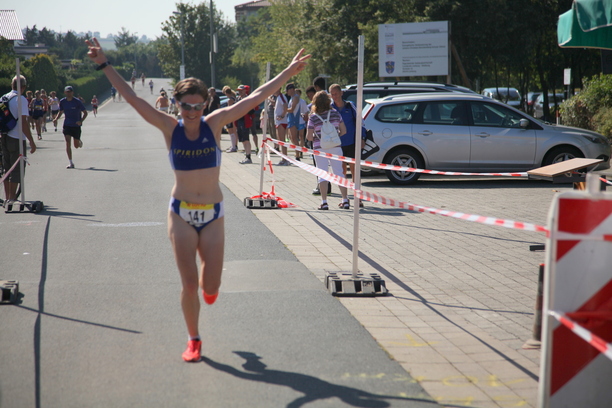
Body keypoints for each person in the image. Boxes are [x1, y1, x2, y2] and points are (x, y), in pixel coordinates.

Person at [86, 37, 310, 362]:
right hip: (181, 214)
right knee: (189, 284)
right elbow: (133, 98)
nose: (191, 113)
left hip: (213, 214)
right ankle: (194, 339)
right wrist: (104, 64)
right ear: (177, 105)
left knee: (211, 287)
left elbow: (256, 97)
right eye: (186, 106)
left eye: (197, 106)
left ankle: (210, 286)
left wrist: (288, 72)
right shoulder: (169, 127)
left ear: (205, 104)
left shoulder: (214, 123)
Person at [306, 91, 349, 210]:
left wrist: (318, 137)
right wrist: (333, 138)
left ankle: (324, 202)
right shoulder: (335, 114)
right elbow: (344, 131)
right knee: (339, 173)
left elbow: (309, 137)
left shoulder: (313, 117)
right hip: (336, 147)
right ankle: (345, 200)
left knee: (322, 174)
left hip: (320, 148)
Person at [2, 75, 37, 204]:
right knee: (17, 169)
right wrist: (31, 141)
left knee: (7, 168)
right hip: (16, 137)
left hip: (4, 135)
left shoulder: (4, 97)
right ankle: (12, 198)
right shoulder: (21, 99)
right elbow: (23, 122)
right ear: (23, 87)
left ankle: (7, 198)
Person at [329, 83, 366, 207]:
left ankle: (358, 198)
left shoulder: (350, 106)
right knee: (342, 172)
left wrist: (362, 137)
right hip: (337, 145)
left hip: (352, 143)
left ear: (341, 93)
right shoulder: (330, 108)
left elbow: (360, 122)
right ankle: (344, 198)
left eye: (336, 93)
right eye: (332, 94)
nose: (334, 96)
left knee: (355, 172)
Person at [54, 86, 88, 169]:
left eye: (70, 92)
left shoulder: (77, 102)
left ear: (73, 92)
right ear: (65, 92)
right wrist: (56, 118)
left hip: (76, 125)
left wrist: (81, 121)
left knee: (76, 146)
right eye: (67, 92)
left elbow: (85, 112)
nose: (68, 93)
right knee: (67, 142)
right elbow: (60, 111)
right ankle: (71, 162)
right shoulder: (63, 101)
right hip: (67, 125)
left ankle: (78, 141)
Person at [235, 85, 254, 164]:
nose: (240, 92)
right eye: (239, 90)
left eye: (241, 90)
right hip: (239, 120)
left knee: (246, 139)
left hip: (245, 121)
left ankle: (248, 157)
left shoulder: (248, 99)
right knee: (242, 140)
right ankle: (246, 155)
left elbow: (252, 111)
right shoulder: (238, 99)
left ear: (245, 91)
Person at [273, 87, 290, 166]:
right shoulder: (278, 98)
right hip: (279, 122)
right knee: (280, 141)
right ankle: (283, 158)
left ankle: (285, 159)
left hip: (282, 122)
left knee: (282, 141)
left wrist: (282, 116)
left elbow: (285, 106)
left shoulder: (281, 96)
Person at [285, 83, 301, 161]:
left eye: (287, 90)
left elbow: (292, 109)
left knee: (294, 138)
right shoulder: (292, 98)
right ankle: (297, 153)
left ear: (291, 90)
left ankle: (298, 155)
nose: (286, 92)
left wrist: (284, 109)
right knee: (291, 138)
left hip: (294, 120)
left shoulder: (295, 97)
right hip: (290, 119)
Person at [222, 86, 238, 152]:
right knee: (234, 131)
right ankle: (234, 145)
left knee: (231, 131)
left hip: (231, 116)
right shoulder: (234, 98)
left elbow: (229, 109)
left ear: (226, 93)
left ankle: (233, 147)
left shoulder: (230, 100)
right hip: (234, 116)